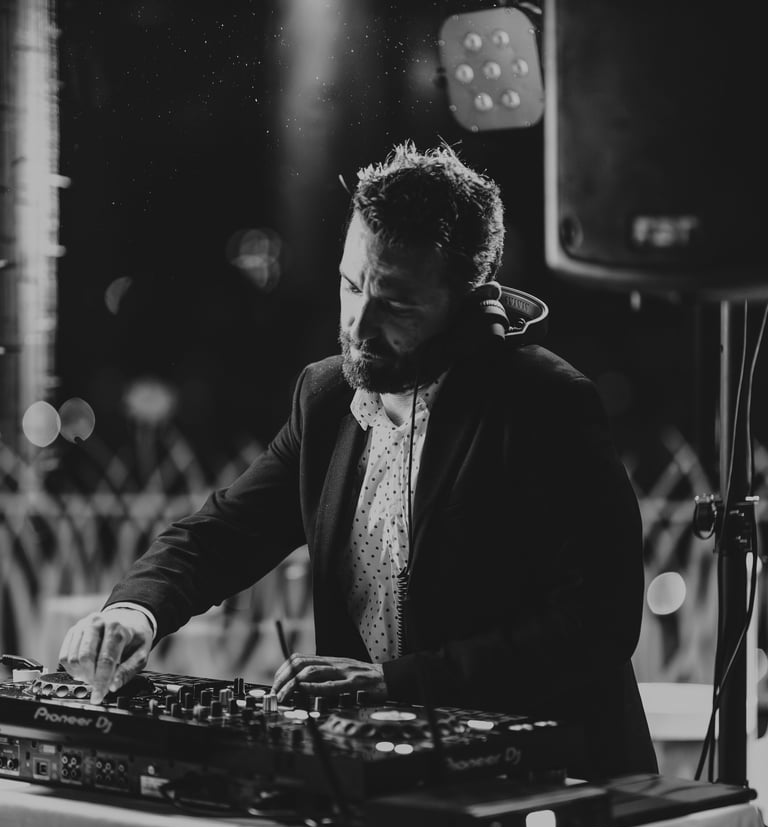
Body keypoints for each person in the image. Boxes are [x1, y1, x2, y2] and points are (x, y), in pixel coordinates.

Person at [59, 142, 657, 779]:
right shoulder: (325, 398)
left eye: (396, 304)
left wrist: (395, 684)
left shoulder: (545, 404)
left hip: (545, 777)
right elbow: (225, 534)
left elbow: (596, 624)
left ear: (470, 305)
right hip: (383, 784)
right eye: (351, 285)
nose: (358, 325)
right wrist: (133, 610)